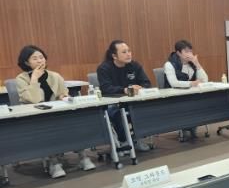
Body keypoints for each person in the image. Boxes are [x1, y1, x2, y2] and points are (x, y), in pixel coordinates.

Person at [15, 45, 96, 178]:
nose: (39, 61)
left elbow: (63, 94)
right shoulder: (21, 79)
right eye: (34, 58)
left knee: (75, 122)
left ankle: (83, 157)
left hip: (57, 113)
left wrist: (63, 96)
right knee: (46, 127)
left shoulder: (55, 76)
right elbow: (34, 100)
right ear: (26, 62)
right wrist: (34, 79)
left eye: (41, 57)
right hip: (36, 117)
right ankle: (54, 163)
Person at [97, 40, 152, 151]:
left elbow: (146, 83)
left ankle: (137, 138)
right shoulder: (104, 68)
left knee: (145, 109)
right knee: (118, 114)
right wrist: (125, 90)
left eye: (129, 51)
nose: (128, 54)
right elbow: (106, 88)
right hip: (113, 104)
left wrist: (140, 87)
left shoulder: (135, 65)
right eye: (124, 52)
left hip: (133, 102)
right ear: (114, 56)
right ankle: (124, 141)